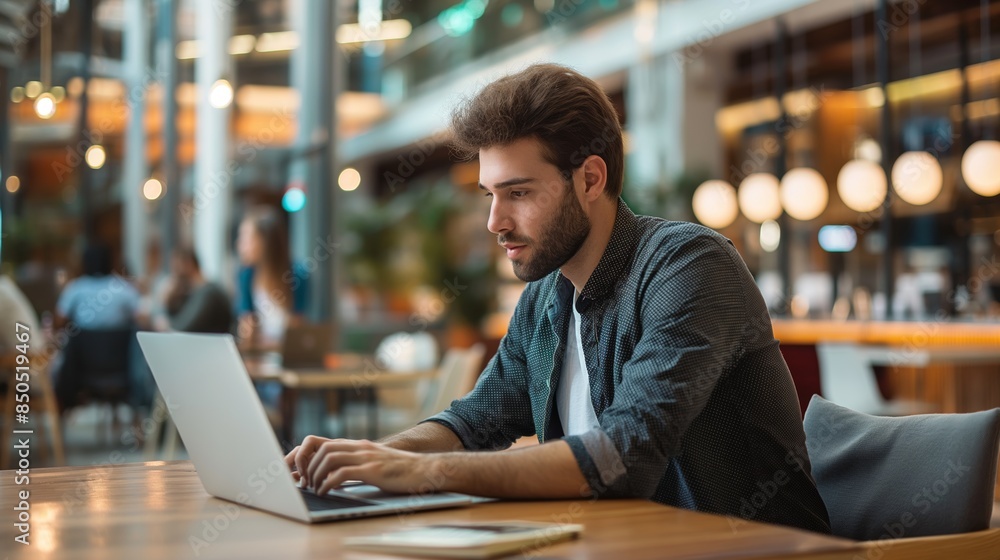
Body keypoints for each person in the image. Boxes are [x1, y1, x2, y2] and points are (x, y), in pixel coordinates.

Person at [285, 64, 831, 534]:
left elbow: (623, 456)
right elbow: (473, 424)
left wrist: (421, 473)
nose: (496, 222)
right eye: (490, 196)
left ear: (590, 179)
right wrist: (375, 458)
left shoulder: (689, 264)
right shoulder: (545, 295)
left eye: (518, 193)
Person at [235, 207, 308, 351]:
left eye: (245, 238)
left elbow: (297, 332)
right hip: (260, 356)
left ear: (263, 242)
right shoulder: (246, 276)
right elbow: (246, 332)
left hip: (288, 357)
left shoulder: (297, 275)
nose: (239, 244)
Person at [54, 243, 139, 331]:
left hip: (84, 342)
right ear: (110, 262)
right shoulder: (123, 287)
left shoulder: (75, 287)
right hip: (119, 343)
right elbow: (141, 317)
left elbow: (59, 319)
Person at [156, 247, 233, 334]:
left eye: (177, 268)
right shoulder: (193, 292)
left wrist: (165, 323)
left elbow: (182, 328)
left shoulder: (208, 293)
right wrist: (169, 301)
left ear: (189, 264)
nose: (174, 275)